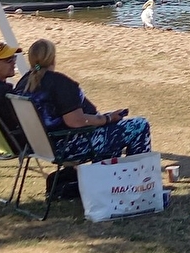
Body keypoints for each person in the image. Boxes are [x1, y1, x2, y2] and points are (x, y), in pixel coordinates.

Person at [15, 39, 150, 162]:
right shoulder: (60, 83)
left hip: (39, 145)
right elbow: (76, 121)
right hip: (66, 146)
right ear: (53, 59)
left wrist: (105, 118)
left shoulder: (23, 83)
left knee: (110, 130)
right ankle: (140, 178)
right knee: (139, 125)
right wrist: (107, 118)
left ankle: (109, 180)